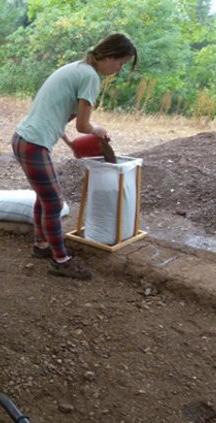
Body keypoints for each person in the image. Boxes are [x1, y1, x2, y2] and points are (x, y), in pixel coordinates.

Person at [11, 33, 138, 280]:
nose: (119, 69)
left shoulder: (77, 68)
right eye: (120, 62)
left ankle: (41, 246)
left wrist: (69, 143)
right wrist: (98, 131)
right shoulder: (90, 77)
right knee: (55, 203)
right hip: (33, 143)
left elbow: (54, 110)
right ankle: (61, 260)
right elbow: (83, 124)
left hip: (23, 139)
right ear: (109, 56)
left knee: (44, 198)